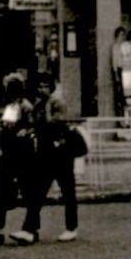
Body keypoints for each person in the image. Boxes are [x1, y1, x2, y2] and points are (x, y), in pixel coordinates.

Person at [0, 72, 44, 246]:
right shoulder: (20, 106)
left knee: (14, 189)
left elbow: (14, 130)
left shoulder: (19, 106)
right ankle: (25, 229)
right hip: (17, 154)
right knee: (18, 189)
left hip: (17, 155)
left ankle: (11, 229)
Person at [36, 89, 83, 242]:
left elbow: (59, 122)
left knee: (67, 191)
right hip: (49, 153)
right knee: (40, 190)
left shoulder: (56, 102)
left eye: (44, 86)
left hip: (61, 153)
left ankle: (71, 228)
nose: (41, 89)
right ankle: (30, 227)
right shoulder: (41, 104)